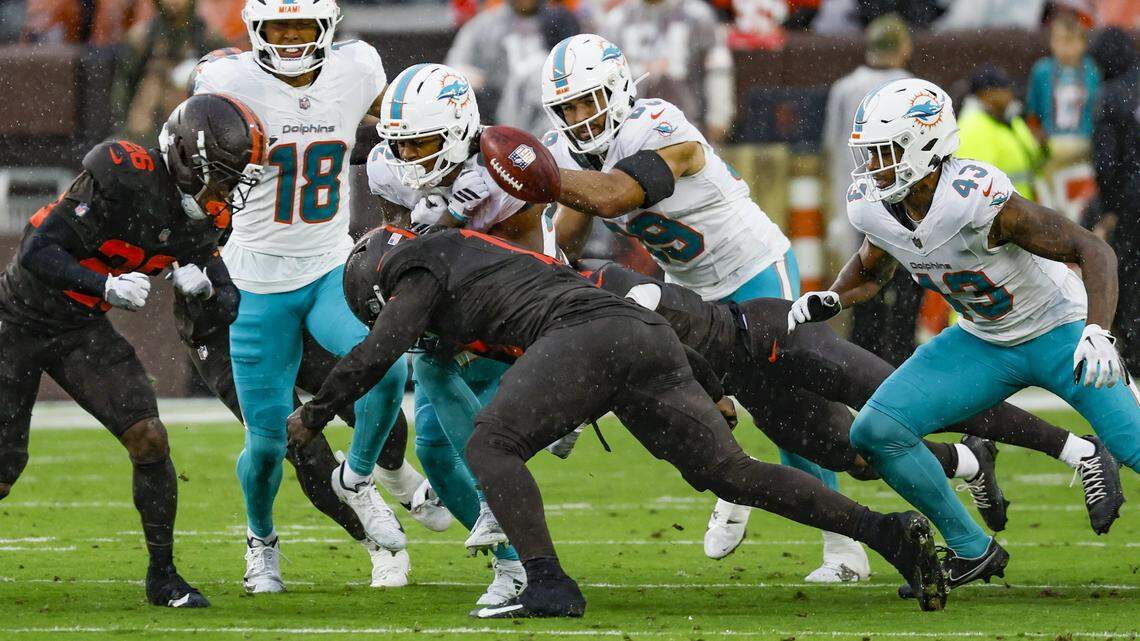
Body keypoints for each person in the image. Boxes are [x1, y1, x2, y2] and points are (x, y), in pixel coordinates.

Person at [287, 225, 949, 616]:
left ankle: (546, 580)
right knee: (734, 472)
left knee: (492, 442)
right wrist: (709, 381)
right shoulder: (478, 257)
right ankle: (886, 532)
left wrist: (314, 414)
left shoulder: (419, 265)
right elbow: (623, 312)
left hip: (592, 337)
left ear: (378, 279)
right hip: (641, 334)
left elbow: (378, 352)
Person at [789, 77, 1139, 591]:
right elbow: (872, 266)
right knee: (875, 432)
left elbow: (1094, 251)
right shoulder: (872, 203)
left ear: (923, 145)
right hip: (983, 340)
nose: (874, 166)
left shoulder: (974, 198)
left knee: (1133, 445)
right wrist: (836, 296)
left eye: (884, 152)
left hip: (1058, 329)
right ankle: (972, 549)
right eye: (870, 153)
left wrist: (1096, 330)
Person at [543, 33, 867, 582]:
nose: (578, 117)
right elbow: (567, 240)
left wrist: (540, 175)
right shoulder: (569, 152)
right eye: (566, 107)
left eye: (587, 100)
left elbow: (615, 196)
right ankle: (737, 484)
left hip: (754, 269)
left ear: (619, 89)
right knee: (687, 400)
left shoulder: (659, 122)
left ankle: (844, 549)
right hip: (689, 287)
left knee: (794, 415)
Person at [583, 259, 1122, 534]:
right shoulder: (575, 312)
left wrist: (713, 394)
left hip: (772, 334)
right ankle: (968, 461)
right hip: (749, 380)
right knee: (857, 454)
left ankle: (1078, 449)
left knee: (906, 402)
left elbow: (664, 347)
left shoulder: (610, 282)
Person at [0, 93, 266, 608]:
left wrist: (206, 290)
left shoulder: (203, 219)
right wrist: (104, 287)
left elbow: (227, 303)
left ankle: (163, 577)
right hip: (15, 318)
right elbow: (37, 252)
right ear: (187, 159)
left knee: (149, 438)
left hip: (80, 328)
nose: (229, 190)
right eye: (223, 175)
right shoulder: (123, 173)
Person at [192, 0, 409, 592]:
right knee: (265, 445)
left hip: (327, 266)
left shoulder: (359, 68)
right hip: (256, 280)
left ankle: (358, 478)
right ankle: (261, 542)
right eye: (278, 28)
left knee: (385, 370)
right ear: (255, 32)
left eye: (301, 27)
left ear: (327, 29)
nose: (289, 40)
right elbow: (187, 153)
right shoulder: (226, 80)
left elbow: (390, 128)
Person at [364, 62, 565, 606]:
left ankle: (558, 425)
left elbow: (518, 264)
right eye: (401, 144)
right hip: (452, 302)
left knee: (491, 422)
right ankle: (512, 565)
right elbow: (398, 245)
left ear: (458, 131)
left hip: (526, 302)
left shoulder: (504, 170)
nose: (409, 158)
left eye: (423, 143)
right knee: (431, 445)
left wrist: (454, 218)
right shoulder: (387, 166)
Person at [173, 290, 453, 589]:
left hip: (285, 305)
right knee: (297, 447)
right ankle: (374, 544)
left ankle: (397, 477)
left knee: (368, 388)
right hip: (221, 330)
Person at [821, 13, 922, 367]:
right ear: (902, 47)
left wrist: (838, 210)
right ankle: (902, 363)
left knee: (866, 291)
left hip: (861, 203)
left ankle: (865, 366)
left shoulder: (845, 88)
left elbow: (834, 152)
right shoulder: (911, 86)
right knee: (907, 293)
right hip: (905, 206)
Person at [600, 0, 735, 144]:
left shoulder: (697, 14)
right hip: (630, 132)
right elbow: (603, 74)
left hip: (689, 125)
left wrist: (719, 115)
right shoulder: (618, 19)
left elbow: (717, 66)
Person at [446, 0, 580, 135]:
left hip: (554, 101)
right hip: (499, 107)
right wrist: (472, 78)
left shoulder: (560, 19)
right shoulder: (484, 25)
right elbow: (455, 69)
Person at [1089, 28, 1140, 377]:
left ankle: (1135, 352)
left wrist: (1109, 209)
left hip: (1133, 205)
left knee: (1130, 279)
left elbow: (1107, 161)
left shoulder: (1111, 96)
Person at [956, 64, 1045, 201]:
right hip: (1001, 214)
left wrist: (1044, 146)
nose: (1009, 93)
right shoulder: (972, 127)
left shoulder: (1012, 120)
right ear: (985, 94)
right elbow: (977, 185)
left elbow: (1035, 160)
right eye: (1002, 89)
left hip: (1022, 210)